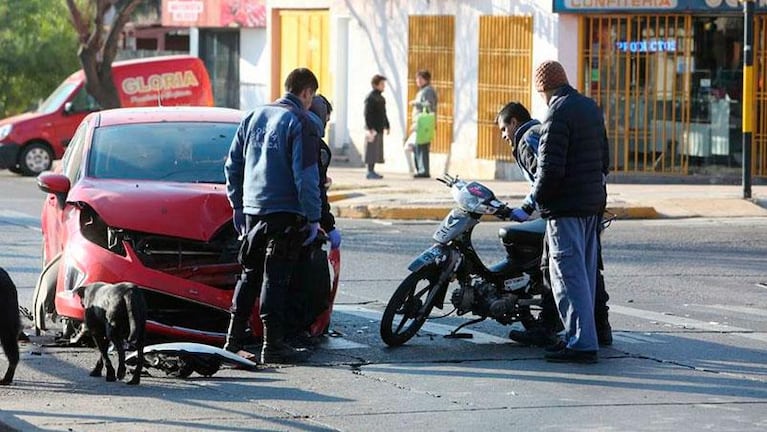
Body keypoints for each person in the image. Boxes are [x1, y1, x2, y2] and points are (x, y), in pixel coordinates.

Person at [223, 67, 322, 364]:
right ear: (306, 92)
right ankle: (272, 343)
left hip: (253, 210)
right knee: (275, 278)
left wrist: (237, 205)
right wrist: (313, 216)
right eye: (311, 97)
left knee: (249, 275)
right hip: (284, 212)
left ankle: (232, 340)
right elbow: (305, 176)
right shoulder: (301, 122)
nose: (310, 102)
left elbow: (232, 165)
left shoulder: (253, 117)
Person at [495, 101, 612, 350]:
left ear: (514, 122)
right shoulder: (559, 126)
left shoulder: (526, 138)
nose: (504, 136)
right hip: (591, 203)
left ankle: (549, 327)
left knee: (553, 268)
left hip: (564, 210)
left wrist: (526, 208)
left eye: (503, 129)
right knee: (589, 269)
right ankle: (601, 328)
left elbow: (544, 175)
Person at [529, 60, 610, 364]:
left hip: (566, 209)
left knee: (567, 274)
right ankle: (583, 335)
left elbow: (550, 169)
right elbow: (605, 160)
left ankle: (580, 343)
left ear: (543, 88)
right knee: (586, 275)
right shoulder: (589, 107)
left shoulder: (556, 112)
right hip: (592, 205)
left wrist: (533, 202)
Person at [284, 94, 342, 343]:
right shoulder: (312, 141)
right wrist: (324, 223)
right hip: (298, 219)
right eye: (325, 119)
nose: (326, 126)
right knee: (307, 279)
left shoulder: (285, 129)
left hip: (265, 212)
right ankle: (296, 330)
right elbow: (313, 186)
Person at [410, 69, 437, 178]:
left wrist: (416, 103)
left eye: (420, 78)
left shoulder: (428, 91)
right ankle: (420, 169)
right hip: (419, 122)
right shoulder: (422, 90)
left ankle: (423, 170)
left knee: (422, 146)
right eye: (417, 78)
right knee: (417, 146)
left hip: (424, 123)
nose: (417, 81)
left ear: (426, 79)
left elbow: (429, 104)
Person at [363, 75, 390, 180]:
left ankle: (373, 170)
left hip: (379, 128)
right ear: (375, 85)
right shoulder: (371, 98)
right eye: (382, 84)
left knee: (376, 151)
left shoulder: (381, 98)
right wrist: (370, 127)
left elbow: (384, 113)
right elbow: (367, 114)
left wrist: (387, 125)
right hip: (372, 129)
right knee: (371, 150)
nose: (384, 86)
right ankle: (369, 171)